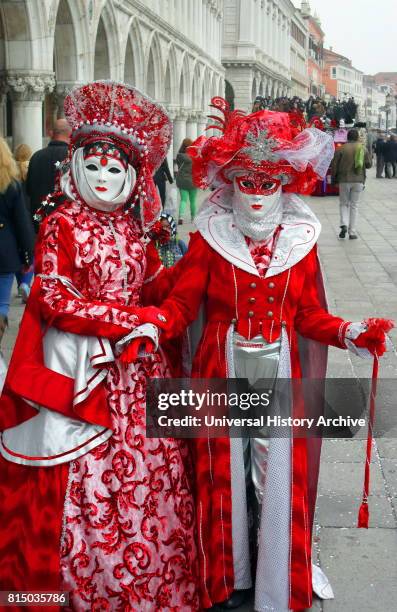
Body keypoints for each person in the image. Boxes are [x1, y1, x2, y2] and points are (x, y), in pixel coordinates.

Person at [155, 98, 390, 611]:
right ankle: (229, 573)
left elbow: (306, 316)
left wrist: (349, 330)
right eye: (248, 183)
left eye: (268, 185)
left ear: (286, 187)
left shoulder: (300, 245)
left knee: (272, 470)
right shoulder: (209, 241)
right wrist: (150, 326)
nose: (258, 197)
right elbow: (179, 303)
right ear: (231, 184)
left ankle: (273, 572)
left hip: (279, 370)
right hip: (222, 369)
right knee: (224, 472)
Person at [0, 81, 198, 610]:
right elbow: (52, 296)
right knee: (86, 481)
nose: (104, 179)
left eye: (116, 170)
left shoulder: (133, 231)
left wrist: (196, 272)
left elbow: (153, 282)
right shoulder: (62, 224)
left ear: (133, 178)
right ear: (74, 169)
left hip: (139, 373)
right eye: (94, 167)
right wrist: (132, 319)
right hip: (83, 372)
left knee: (151, 474)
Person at [0, 138, 34, 348]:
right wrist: (27, 254)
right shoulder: (11, 184)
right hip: (4, 250)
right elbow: (22, 222)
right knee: (2, 305)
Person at [25, 118, 71, 231]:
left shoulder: (36, 157)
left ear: (52, 133)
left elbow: (29, 190)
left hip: (39, 222)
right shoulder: (72, 157)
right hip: (65, 224)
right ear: (70, 133)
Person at [331, 128, 372, 240]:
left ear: (347, 137)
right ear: (357, 137)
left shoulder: (340, 149)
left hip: (344, 180)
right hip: (358, 180)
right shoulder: (362, 148)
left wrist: (333, 180)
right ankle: (352, 232)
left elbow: (334, 166)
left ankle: (344, 224)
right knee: (354, 205)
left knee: (344, 203)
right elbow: (368, 165)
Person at [14, 143, 34, 302]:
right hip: (29, 213)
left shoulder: (10, 171)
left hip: (14, 216)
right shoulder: (31, 169)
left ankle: (21, 282)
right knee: (30, 252)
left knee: (17, 252)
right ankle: (26, 283)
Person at [176, 137, 198, 224]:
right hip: (193, 180)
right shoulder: (194, 157)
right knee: (193, 201)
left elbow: (178, 165)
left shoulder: (179, 155)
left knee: (183, 200)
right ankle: (193, 218)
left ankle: (181, 217)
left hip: (182, 180)